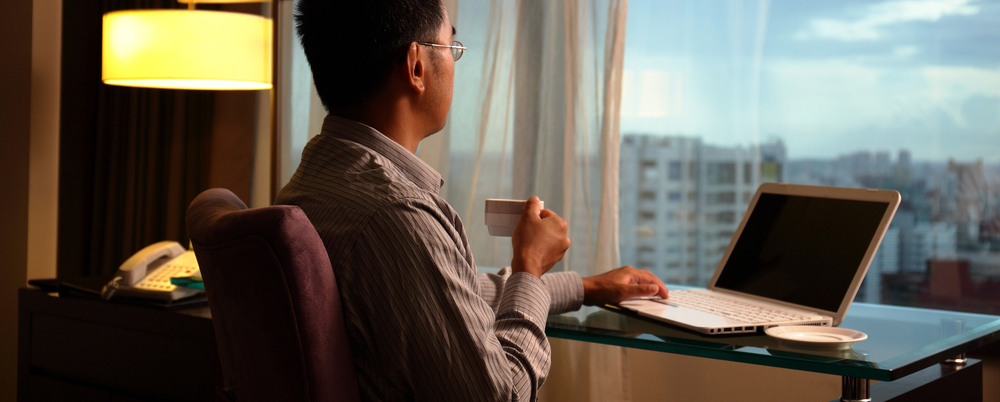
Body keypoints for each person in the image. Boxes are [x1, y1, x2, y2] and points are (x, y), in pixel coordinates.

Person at [276, 1, 669, 400]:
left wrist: (586, 287)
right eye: (452, 45)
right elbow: (502, 395)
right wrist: (528, 267)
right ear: (416, 66)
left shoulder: (317, 178)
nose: (454, 60)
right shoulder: (397, 216)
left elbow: (446, 296)